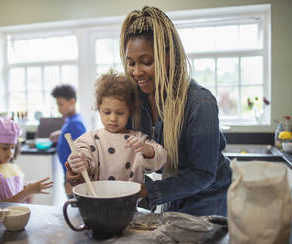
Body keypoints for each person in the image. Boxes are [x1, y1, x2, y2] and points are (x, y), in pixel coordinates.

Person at [67, 6, 232, 217]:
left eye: (147, 62)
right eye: (131, 63)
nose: (136, 72)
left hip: (208, 197)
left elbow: (202, 174)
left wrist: (144, 191)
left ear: (169, 57)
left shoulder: (200, 103)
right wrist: (82, 168)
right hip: (171, 195)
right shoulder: (135, 98)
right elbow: (117, 145)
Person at [67, 70, 167, 185]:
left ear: (130, 111)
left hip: (131, 202)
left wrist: (148, 150)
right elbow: (81, 156)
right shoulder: (90, 140)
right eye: (107, 112)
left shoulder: (138, 140)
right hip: (98, 201)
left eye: (120, 113)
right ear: (98, 109)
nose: (113, 118)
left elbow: (160, 158)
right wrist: (80, 163)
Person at [0, 116, 53, 203]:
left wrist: (31, 192)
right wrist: (27, 192)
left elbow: (26, 203)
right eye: (5, 148)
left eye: (12, 147)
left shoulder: (16, 168)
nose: (10, 152)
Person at [50, 85, 86, 174]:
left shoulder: (75, 124)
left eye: (61, 104)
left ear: (72, 102)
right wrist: (61, 133)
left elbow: (80, 151)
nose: (59, 108)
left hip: (72, 173)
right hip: (68, 171)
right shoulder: (72, 120)